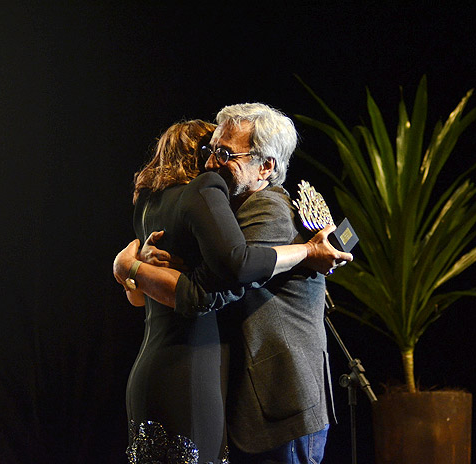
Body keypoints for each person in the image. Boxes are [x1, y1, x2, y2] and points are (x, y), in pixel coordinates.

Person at [116, 103, 342, 463]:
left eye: (225, 154)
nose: (209, 164)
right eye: (210, 151)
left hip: (282, 403)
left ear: (266, 165)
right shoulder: (232, 210)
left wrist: (129, 269)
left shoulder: (266, 210)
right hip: (254, 406)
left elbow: (205, 292)